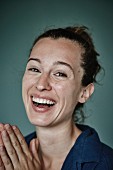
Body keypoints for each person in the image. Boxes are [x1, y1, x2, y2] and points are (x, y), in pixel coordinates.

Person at [0, 26, 113, 170]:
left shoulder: (106, 164)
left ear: (84, 93)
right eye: (35, 69)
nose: (41, 84)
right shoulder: (7, 157)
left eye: (60, 73)